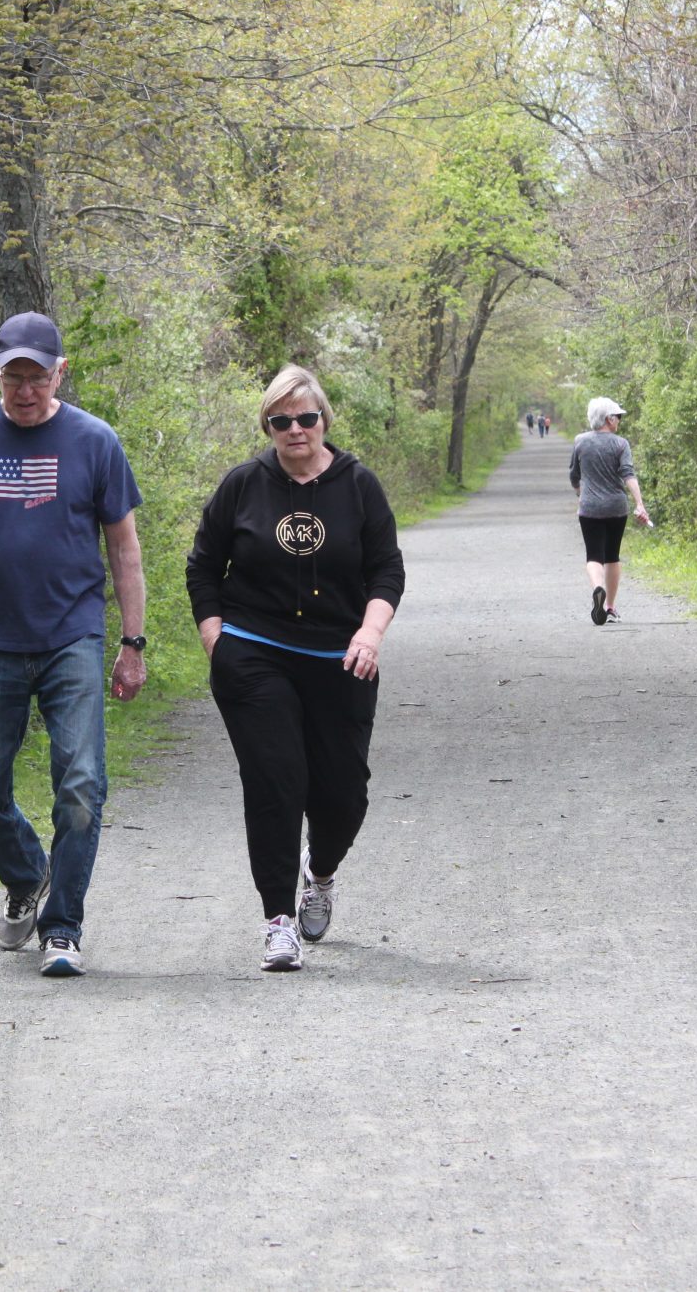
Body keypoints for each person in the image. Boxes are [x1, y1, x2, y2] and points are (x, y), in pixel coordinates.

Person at [0, 312, 148, 978]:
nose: (25, 390)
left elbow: (124, 549)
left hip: (72, 636)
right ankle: (26, 873)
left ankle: (62, 925)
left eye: (37, 377)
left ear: (59, 373)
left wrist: (132, 640)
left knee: (81, 785)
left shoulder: (95, 442)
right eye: (13, 377)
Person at [186, 365, 405, 972]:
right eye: (280, 421)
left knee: (342, 796)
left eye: (306, 418)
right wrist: (216, 640)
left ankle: (322, 872)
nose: (295, 430)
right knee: (276, 781)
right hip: (254, 652)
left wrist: (370, 631)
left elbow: (387, 569)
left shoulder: (358, 485)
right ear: (268, 426)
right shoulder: (242, 485)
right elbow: (203, 568)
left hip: (340, 656)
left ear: (324, 420)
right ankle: (277, 920)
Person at [569, 396, 651, 625]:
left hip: (589, 507)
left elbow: (574, 475)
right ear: (609, 419)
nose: (620, 421)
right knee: (612, 555)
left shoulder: (580, 441)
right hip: (616, 507)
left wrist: (579, 493)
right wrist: (640, 504)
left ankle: (598, 588)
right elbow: (628, 474)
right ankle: (610, 607)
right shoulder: (620, 444)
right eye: (618, 417)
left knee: (594, 554)